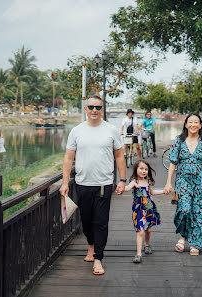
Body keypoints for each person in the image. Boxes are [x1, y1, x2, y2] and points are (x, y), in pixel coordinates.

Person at [59, 95, 126, 276]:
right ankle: (91, 245)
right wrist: (65, 183)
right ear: (85, 109)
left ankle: (98, 258)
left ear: (102, 109)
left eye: (98, 107)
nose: (94, 110)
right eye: (91, 107)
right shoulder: (77, 131)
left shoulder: (111, 130)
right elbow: (68, 158)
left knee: (101, 222)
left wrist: (122, 180)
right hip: (83, 183)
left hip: (104, 183)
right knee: (86, 221)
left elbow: (120, 156)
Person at [163, 113, 202, 256]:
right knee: (185, 208)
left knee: (198, 211)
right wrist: (168, 182)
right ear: (186, 124)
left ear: (200, 125)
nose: (193, 125)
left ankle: (195, 243)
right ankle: (183, 235)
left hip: (201, 181)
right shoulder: (179, 141)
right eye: (190, 122)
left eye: (196, 122)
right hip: (183, 180)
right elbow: (173, 163)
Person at [124, 160, 163, 263]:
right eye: (141, 168)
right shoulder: (134, 182)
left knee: (148, 230)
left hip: (149, 208)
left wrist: (164, 191)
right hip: (138, 210)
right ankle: (138, 254)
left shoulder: (148, 182)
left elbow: (152, 192)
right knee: (140, 231)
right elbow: (127, 188)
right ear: (136, 169)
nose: (144, 171)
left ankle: (147, 244)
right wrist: (121, 188)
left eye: (146, 169)